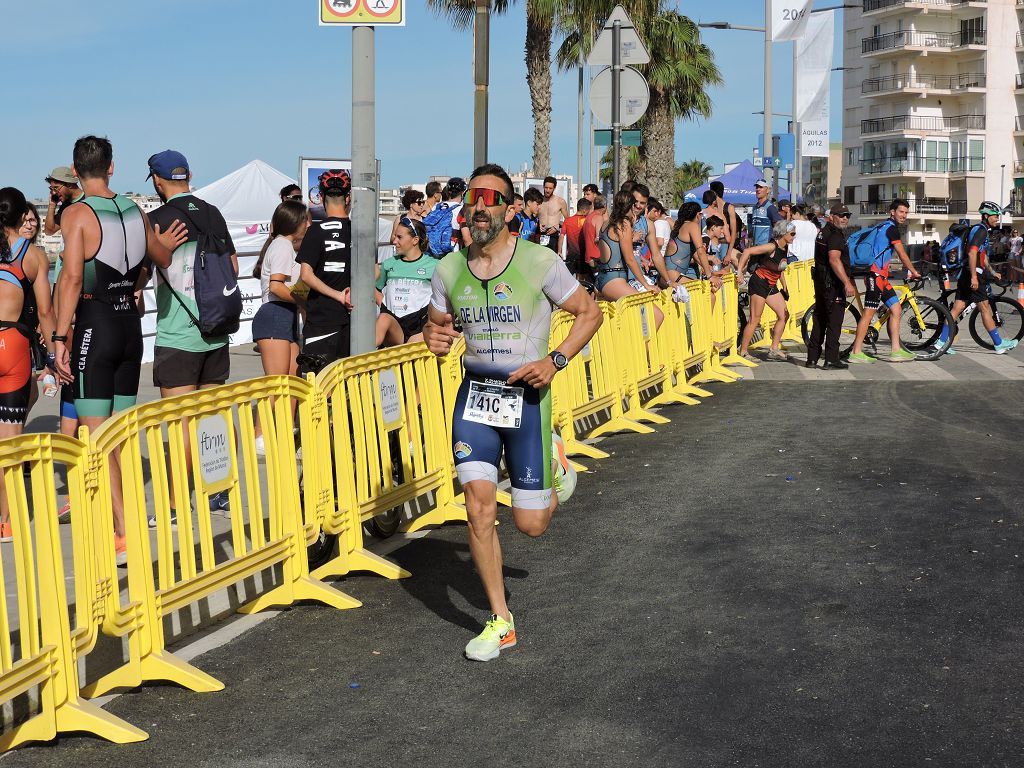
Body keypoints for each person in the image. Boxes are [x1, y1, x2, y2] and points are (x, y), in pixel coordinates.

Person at [422, 163, 602, 662]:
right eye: (474, 198)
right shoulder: (448, 269)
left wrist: (556, 360)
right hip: (475, 399)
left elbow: (590, 313)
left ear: (508, 208)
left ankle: (555, 460)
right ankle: (501, 621)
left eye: (491, 198)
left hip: (527, 398)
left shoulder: (540, 262)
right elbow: (435, 327)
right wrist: (433, 337)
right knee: (478, 506)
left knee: (531, 526)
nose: (480, 206)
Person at [52, 136, 187, 562]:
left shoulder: (77, 213)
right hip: (130, 328)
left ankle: (124, 532)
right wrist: (168, 238)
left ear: (76, 172)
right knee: (121, 434)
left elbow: (72, 279)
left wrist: (59, 338)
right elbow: (162, 258)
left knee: (97, 434)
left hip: (96, 326)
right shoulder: (134, 209)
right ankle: (126, 521)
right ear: (112, 168)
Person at [0, 188, 64, 541]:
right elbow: (45, 311)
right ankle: (6, 521)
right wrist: (53, 356)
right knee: (9, 438)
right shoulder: (34, 256)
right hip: (12, 345)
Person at [928, 201, 1020, 356]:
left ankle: (941, 343)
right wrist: (974, 277)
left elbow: (981, 256)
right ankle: (998, 344)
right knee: (984, 308)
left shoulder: (980, 230)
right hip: (973, 274)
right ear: (985, 216)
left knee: (956, 308)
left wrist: (991, 271)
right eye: (994, 216)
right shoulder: (981, 230)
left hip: (967, 273)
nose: (997, 218)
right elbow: (972, 253)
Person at [847, 199, 921, 364]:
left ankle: (896, 350)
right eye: (901, 212)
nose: (904, 215)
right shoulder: (891, 229)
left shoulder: (886, 227)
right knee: (868, 313)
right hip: (874, 276)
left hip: (882, 278)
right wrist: (913, 271)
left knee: (896, 309)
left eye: (906, 213)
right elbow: (901, 253)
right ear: (892, 212)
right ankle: (855, 352)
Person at [296, 170, 354, 366]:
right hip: (353, 318)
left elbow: (305, 275)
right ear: (348, 198)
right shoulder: (358, 230)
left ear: (320, 197)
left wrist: (338, 295)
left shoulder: (315, 231)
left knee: (320, 386)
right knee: (347, 385)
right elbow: (375, 271)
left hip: (321, 318)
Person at [252, 199, 309, 388]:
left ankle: (288, 419)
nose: (308, 225)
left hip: (283, 316)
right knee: (277, 390)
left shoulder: (283, 245)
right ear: (295, 223)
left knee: (291, 386)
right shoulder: (283, 245)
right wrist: (302, 302)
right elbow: (276, 286)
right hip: (275, 315)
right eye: (305, 221)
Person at [736, 220, 796, 361]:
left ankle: (774, 349)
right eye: (792, 234)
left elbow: (779, 268)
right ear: (783, 234)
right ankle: (743, 351)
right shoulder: (771, 246)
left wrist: (785, 287)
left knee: (784, 315)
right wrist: (739, 272)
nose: (794, 236)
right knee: (755, 319)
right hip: (759, 283)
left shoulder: (785, 248)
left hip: (770, 285)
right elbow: (747, 251)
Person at [806, 204, 855, 370]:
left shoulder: (823, 232)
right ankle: (831, 360)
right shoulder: (834, 235)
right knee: (834, 322)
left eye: (847, 215)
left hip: (821, 282)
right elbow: (834, 259)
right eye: (841, 215)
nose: (845, 218)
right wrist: (847, 282)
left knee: (819, 319)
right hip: (832, 285)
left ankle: (812, 359)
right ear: (832, 216)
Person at [375, 217, 435, 346]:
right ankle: (363, 358)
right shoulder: (388, 264)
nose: (394, 241)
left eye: (399, 237)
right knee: (383, 319)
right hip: (395, 326)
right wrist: (383, 304)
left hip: (421, 328)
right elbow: (376, 289)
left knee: (413, 343)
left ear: (415, 240)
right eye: (394, 236)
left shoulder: (435, 266)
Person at [665, 202, 711, 283]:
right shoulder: (692, 225)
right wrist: (709, 276)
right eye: (701, 214)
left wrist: (709, 270)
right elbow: (701, 252)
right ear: (698, 215)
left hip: (667, 274)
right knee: (709, 295)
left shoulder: (679, 226)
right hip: (674, 275)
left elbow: (695, 255)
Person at [43, 166, 82, 236]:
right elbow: (49, 231)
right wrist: (52, 205)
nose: (53, 193)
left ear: (69, 184)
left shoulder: (89, 199)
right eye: (51, 189)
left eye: (56, 188)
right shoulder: (65, 207)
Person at [559, 198, 590, 279]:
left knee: (569, 279)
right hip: (583, 255)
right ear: (584, 210)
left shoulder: (568, 221)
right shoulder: (586, 220)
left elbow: (561, 236)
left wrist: (559, 251)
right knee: (583, 279)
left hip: (571, 255)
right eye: (588, 210)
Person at [538, 176, 568, 252]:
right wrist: (538, 224)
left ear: (554, 188)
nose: (547, 190)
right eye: (546, 187)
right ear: (543, 187)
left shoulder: (560, 202)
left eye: (550, 188)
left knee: (552, 261)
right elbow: (531, 216)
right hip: (539, 234)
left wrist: (558, 226)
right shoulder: (538, 201)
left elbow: (568, 221)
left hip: (553, 235)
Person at [749, 179, 783, 247]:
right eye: (757, 187)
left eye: (761, 187)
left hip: (765, 247)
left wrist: (773, 244)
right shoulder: (755, 207)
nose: (758, 189)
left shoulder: (770, 207)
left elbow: (780, 227)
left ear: (768, 190)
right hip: (755, 247)